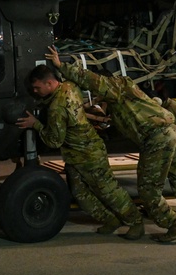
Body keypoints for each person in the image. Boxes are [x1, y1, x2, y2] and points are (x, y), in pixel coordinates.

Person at [50, 46, 176, 242]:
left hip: (156, 138)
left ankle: (173, 224)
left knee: (148, 189)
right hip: (169, 131)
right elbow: (118, 123)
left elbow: (89, 79)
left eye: (99, 93)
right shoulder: (122, 99)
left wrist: (61, 66)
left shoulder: (115, 86)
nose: (98, 97)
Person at [16, 65, 145, 239]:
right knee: (79, 193)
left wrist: (35, 124)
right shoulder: (70, 86)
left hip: (88, 155)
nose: (34, 91)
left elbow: (54, 141)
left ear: (49, 83)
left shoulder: (56, 109)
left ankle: (135, 222)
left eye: (37, 87)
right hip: (77, 155)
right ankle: (111, 220)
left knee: (109, 191)